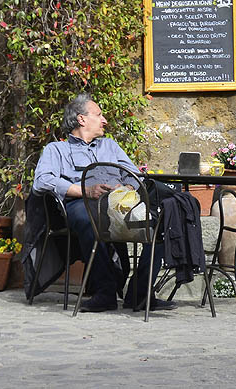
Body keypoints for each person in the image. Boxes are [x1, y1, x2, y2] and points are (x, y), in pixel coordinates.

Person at [32, 92, 176, 312]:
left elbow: (135, 176)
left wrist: (126, 188)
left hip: (118, 203)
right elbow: (42, 181)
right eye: (99, 115)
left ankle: (139, 292)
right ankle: (105, 292)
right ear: (81, 119)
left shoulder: (110, 146)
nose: (104, 120)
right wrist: (85, 190)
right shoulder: (57, 150)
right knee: (91, 219)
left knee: (162, 219)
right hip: (79, 204)